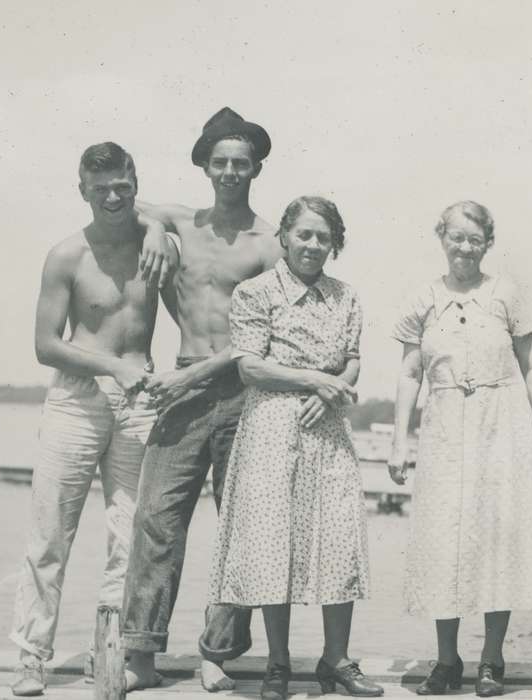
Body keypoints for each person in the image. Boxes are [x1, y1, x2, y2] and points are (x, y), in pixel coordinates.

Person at [121, 106, 283, 692]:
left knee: (240, 525)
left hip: (245, 393)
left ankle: (218, 652)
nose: (230, 172)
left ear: (256, 168)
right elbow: (123, 202)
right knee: (157, 517)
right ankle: (139, 653)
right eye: (220, 162)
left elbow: (264, 339)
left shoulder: (269, 244)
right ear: (204, 166)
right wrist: (154, 232)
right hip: (184, 383)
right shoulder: (180, 222)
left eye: (241, 163)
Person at [9, 142, 175, 697]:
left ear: (136, 182)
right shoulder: (66, 256)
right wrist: (111, 366)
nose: (112, 196)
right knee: (51, 533)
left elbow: (190, 223)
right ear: (82, 190)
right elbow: (43, 345)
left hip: (140, 401)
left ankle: (112, 650)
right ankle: (32, 655)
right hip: (78, 398)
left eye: (122, 186)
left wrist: (153, 227)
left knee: (130, 535)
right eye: (99, 188)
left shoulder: (159, 246)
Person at [208, 196, 382, 700]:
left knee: (338, 541)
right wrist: (313, 381)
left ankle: (336, 660)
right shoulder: (254, 292)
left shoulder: (345, 297)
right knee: (271, 545)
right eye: (303, 234)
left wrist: (332, 395)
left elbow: (352, 362)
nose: (312, 245)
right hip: (270, 428)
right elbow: (250, 367)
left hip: (327, 429)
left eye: (323, 237)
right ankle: (278, 664)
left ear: (334, 245)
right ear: (283, 236)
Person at [387, 201, 532, 698]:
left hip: (501, 422)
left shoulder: (505, 294)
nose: (464, 247)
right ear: (441, 237)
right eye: (455, 237)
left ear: (488, 243)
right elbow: (407, 374)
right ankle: (445, 661)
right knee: (444, 541)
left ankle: (492, 659)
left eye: (474, 239)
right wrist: (400, 442)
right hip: (443, 425)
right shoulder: (423, 298)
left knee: (497, 537)